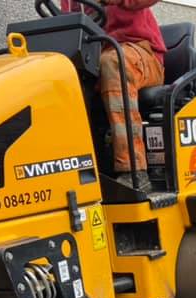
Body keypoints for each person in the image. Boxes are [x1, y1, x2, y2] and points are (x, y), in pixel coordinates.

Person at [62, 0, 166, 191]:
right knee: (65, 75)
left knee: (113, 63)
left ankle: (134, 170)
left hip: (141, 52)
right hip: (99, 57)